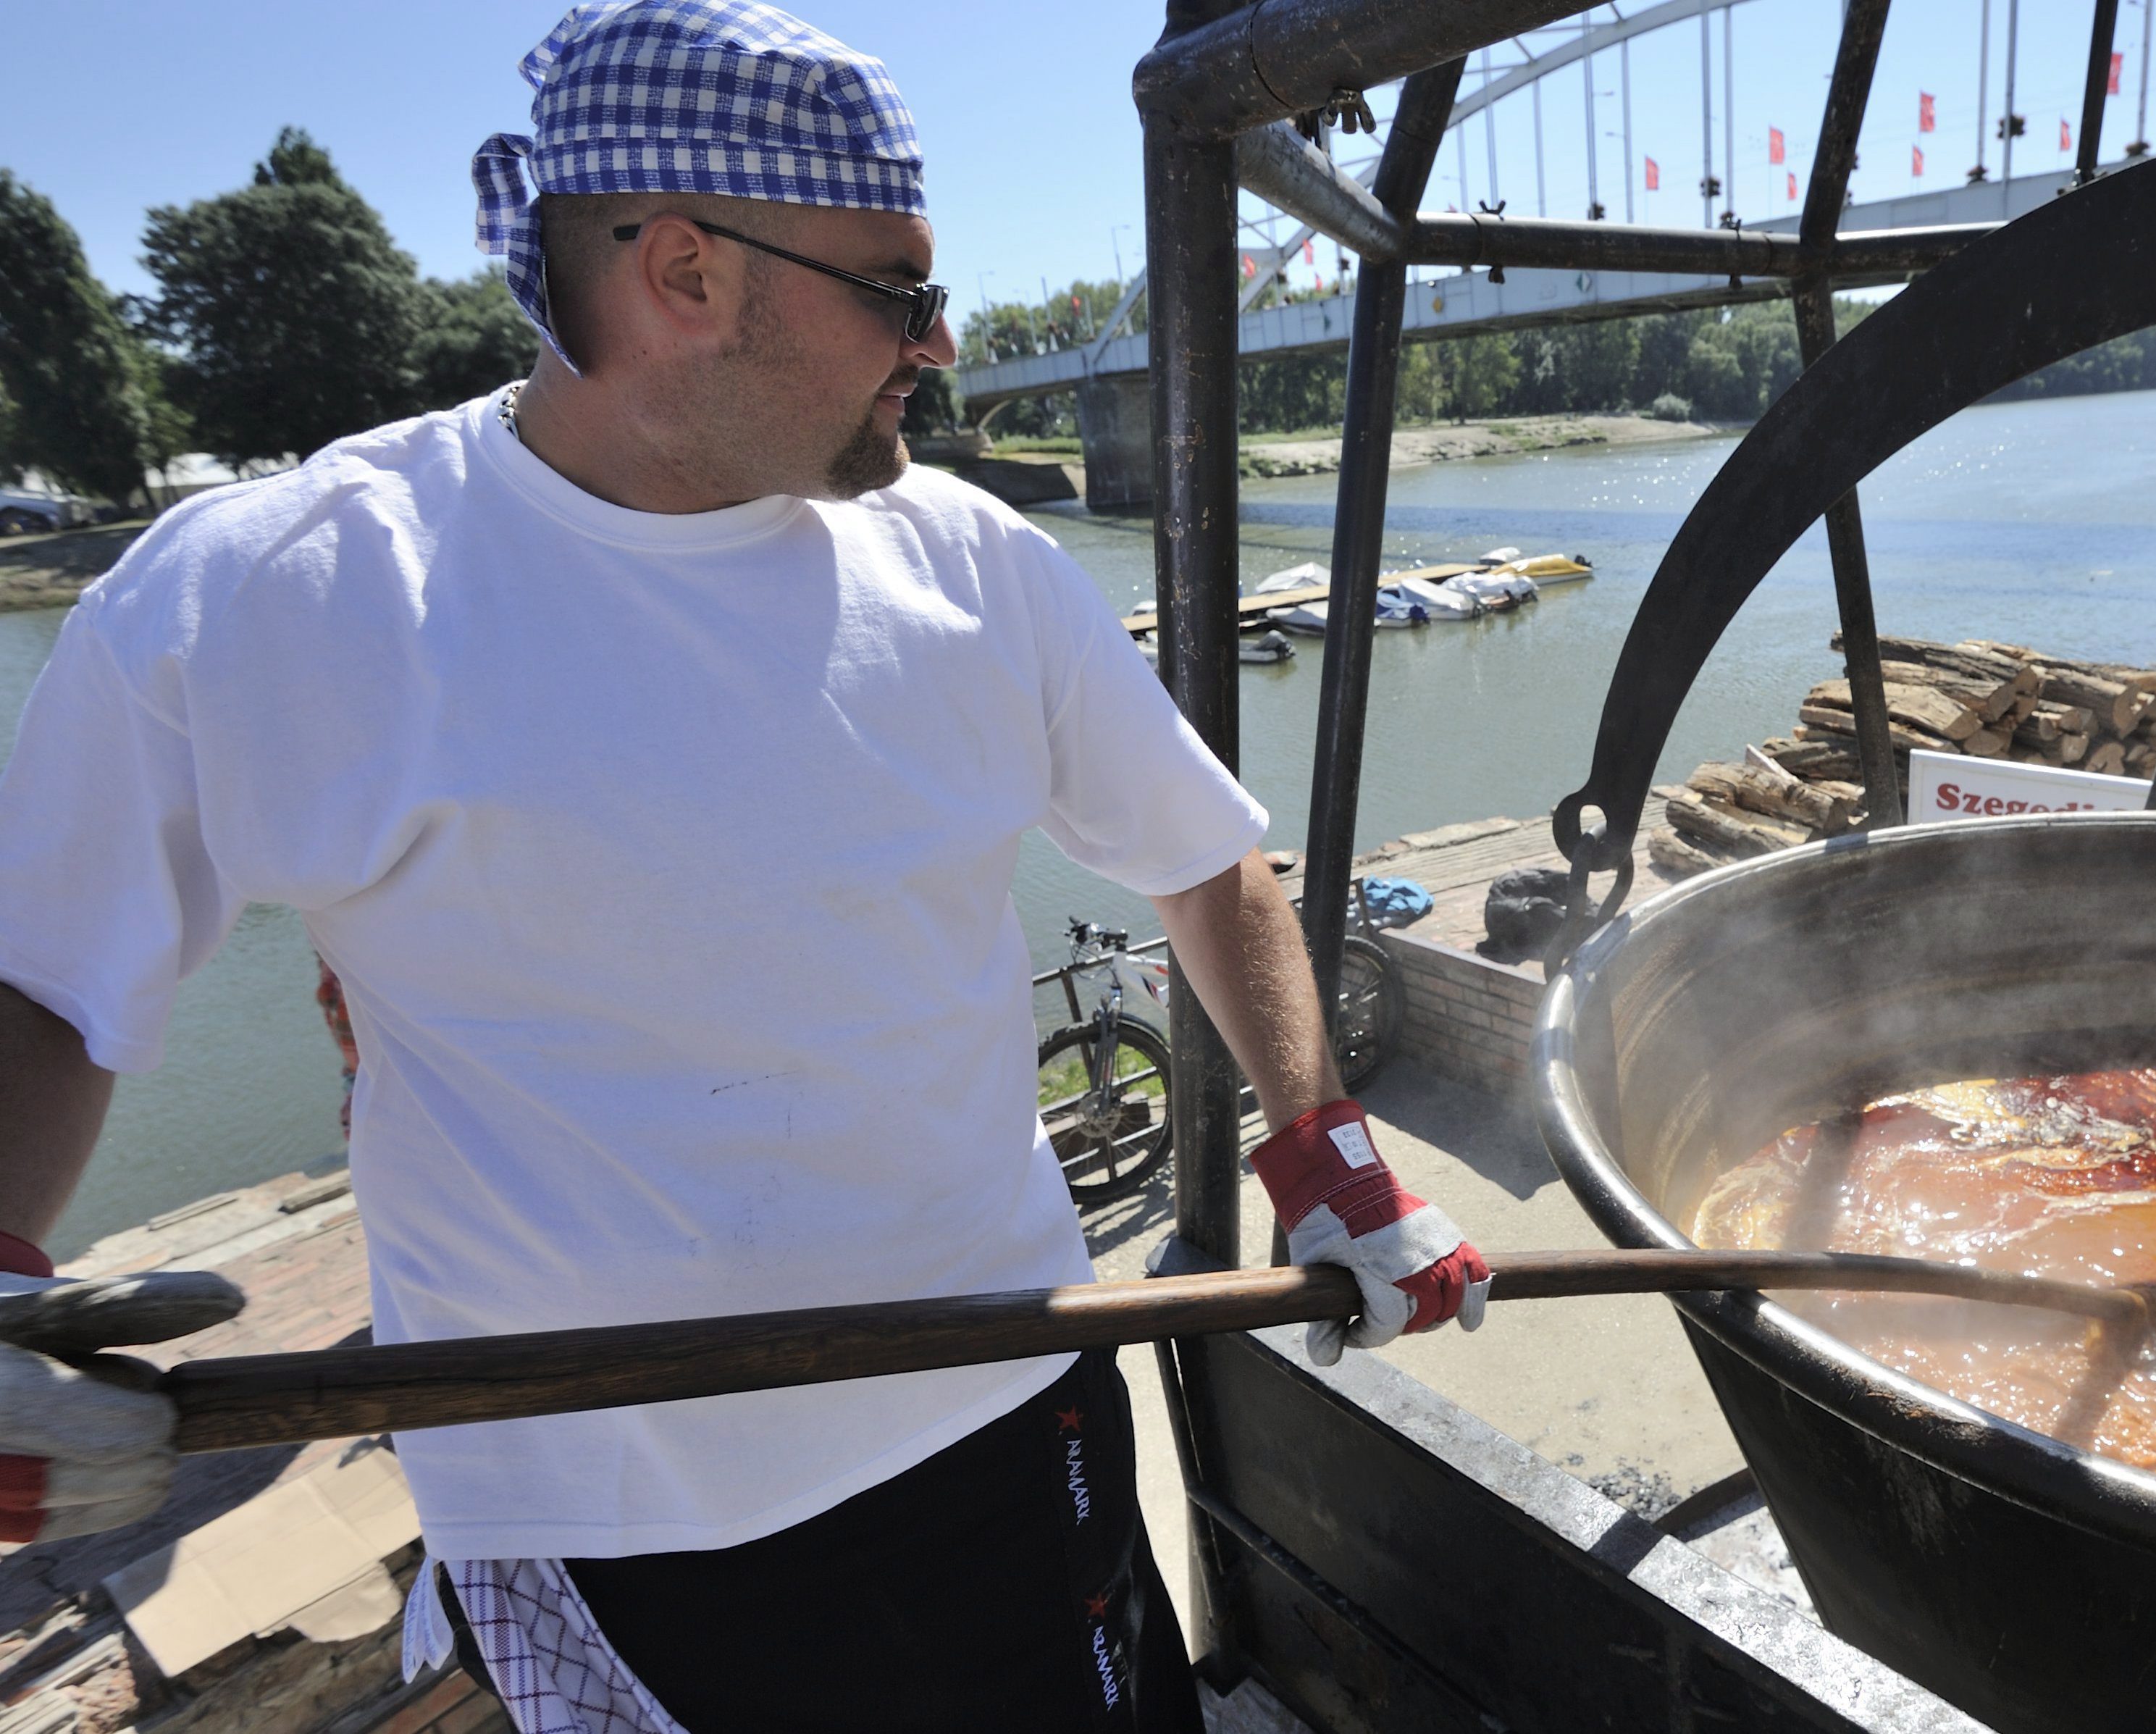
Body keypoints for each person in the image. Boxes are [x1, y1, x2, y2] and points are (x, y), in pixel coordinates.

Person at [0, 4, 1489, 1729]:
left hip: (1005, 1398)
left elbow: (1206, 859)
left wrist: (1328, 1142)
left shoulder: (972, 565)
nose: (940, 344)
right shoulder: (279, 598)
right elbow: (46, 973)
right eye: (897, 289)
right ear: (688, 273)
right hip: (609, 1508)